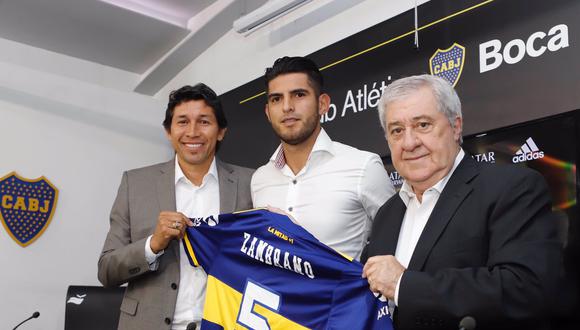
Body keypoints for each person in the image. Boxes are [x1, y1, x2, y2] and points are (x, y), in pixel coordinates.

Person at [362, 74, 561, 329]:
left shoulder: (513, 187)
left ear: (456, 127)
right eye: (397, 130)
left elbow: (526, 289)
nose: (409, 143)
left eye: (423, 125)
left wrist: (403, 285)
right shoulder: (387, 214)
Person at [97, 83, 253, 330]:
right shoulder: (135, 184)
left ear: (221, 131)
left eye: (204, 121)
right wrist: (153, 245)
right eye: (182, 122)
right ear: (168, 131)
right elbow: (106, 271)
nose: (192, 132)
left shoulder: (251, 183)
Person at [251, 56, 395, 261]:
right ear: (268, 112)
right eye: (276, 99)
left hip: (342, 293)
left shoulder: (363, 167)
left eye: (299, 95)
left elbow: (398, 241)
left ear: (323, 104)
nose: (287, 107)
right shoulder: (260, 179)